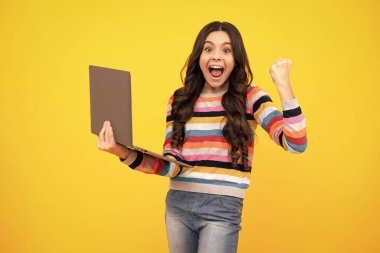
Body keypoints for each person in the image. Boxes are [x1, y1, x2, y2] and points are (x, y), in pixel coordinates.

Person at [97, 21, 307, 253]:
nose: (216, 56)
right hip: (178, 206)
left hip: (222, 210)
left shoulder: (251, 97)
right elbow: (172, 168)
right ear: (199, 56)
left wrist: (283, 84)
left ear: (236, 59)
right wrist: (119, 150)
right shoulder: (179, 100)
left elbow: (296, 143)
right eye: (208, 49)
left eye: (226, 50)